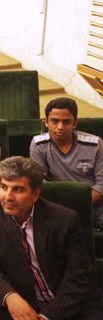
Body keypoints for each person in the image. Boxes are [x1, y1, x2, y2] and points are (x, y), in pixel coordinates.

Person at [0, 156, 103, 320]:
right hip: (23, 304)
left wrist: (46, 317)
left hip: (71, 305)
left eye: (18, 190)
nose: (8, 197)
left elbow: (79, 275)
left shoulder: (65, 219)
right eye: (4, 187)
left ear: (35, 194)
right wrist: (10, 297)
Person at [30, 97, 103, 229]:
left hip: (93, 206)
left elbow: (101, 184)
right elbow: (39, 182)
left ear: (75, 123)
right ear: (46, 122)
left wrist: (79, 205)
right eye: (54, 121)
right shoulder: (39, 145)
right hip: (56, 208)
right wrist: (65, 209)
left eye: (66, 122)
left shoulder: (95, 144)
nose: (60, 127)